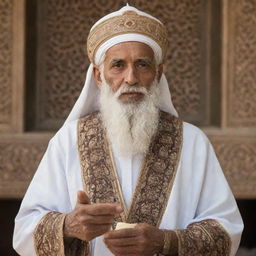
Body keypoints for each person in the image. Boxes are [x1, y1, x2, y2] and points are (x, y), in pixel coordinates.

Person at [13, 5, 243, 256]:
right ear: (99, 76)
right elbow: (24, 230)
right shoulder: (67, 141)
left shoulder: (193, 141)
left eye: (142, 65)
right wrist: (69, 225)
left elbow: (226, 230)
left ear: (158, 73)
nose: (131, 78)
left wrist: (165, 241)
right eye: (118, 65)